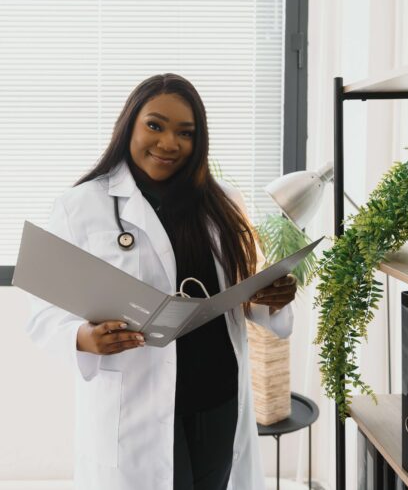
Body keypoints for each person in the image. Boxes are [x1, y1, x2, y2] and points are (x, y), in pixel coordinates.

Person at [25, 73, 297, 490]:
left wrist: (274, 295)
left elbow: (248, 291)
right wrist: (83, 338)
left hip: (218, 401)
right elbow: (42, 312)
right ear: (130, 124)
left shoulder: (224, 202)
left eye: (185, 133)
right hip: (138, 406)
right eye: (155, 125)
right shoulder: (80, 206)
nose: (169, 143)